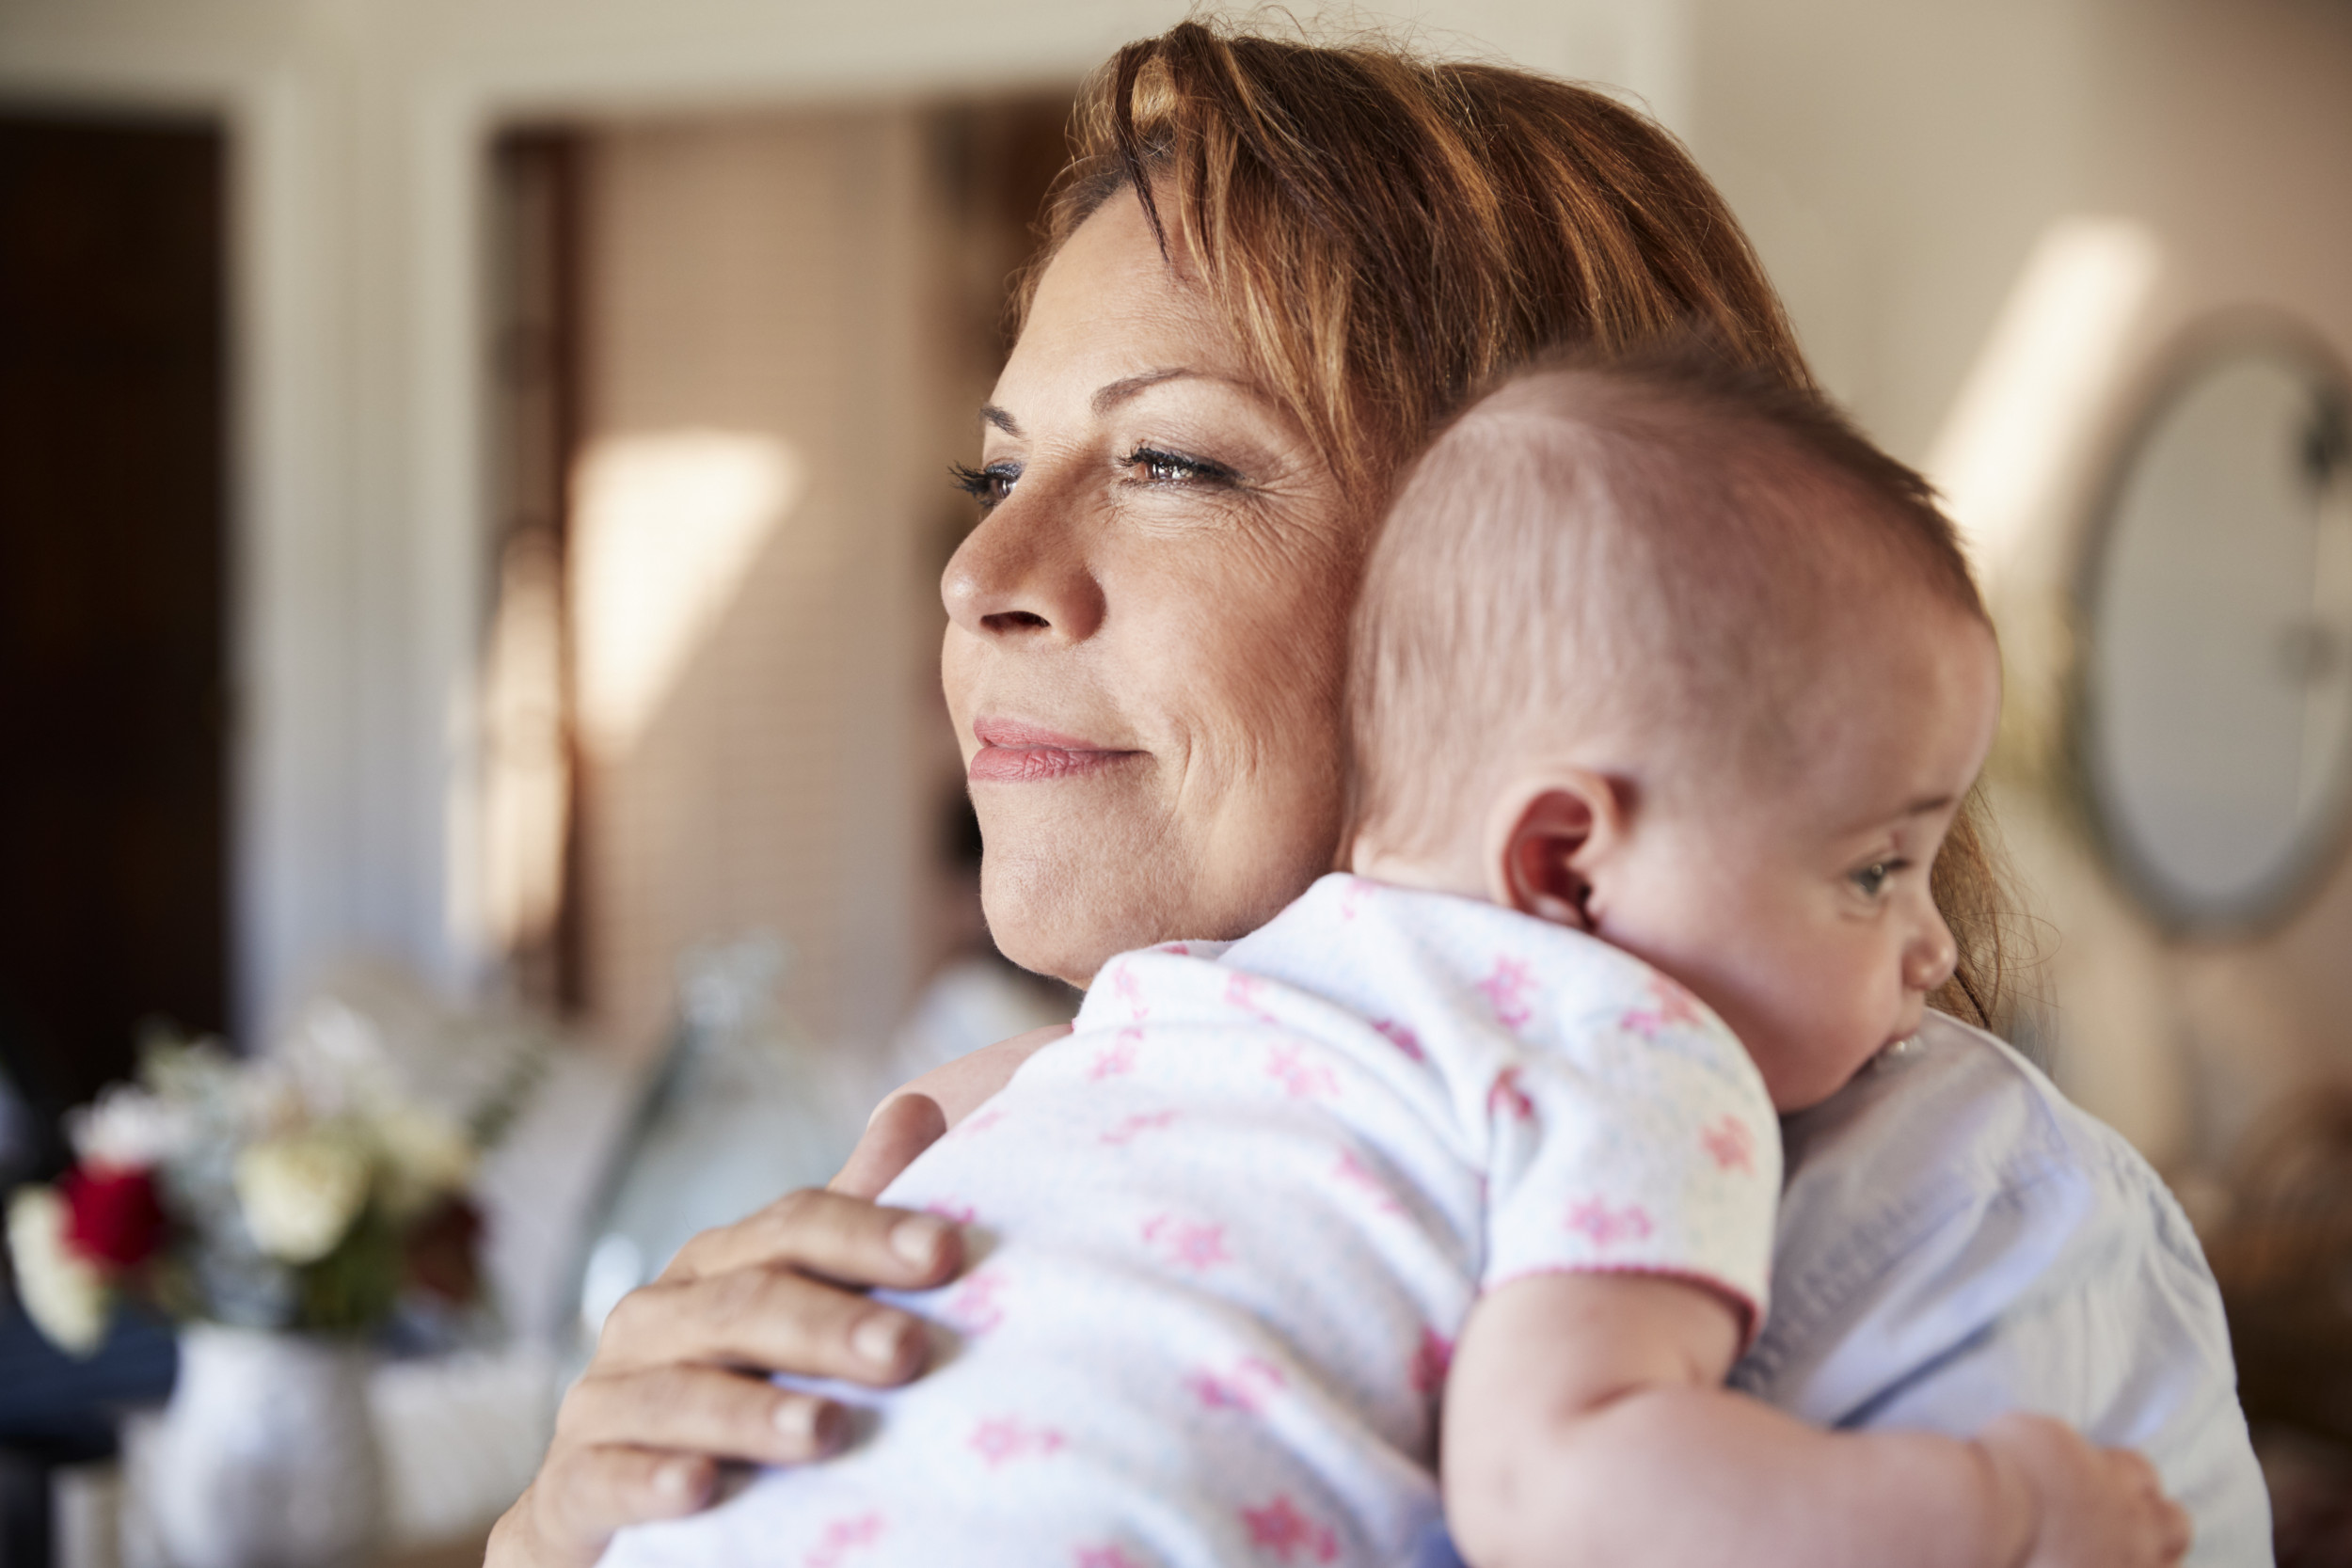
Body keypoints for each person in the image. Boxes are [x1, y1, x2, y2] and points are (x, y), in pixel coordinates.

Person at [489, 22, 2267, 1567]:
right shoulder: (995, 1140)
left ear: (1550, 590)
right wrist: (570, 1527)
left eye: (1174, 460)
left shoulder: (1959, 1222)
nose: (981, 571)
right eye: (996, 469)